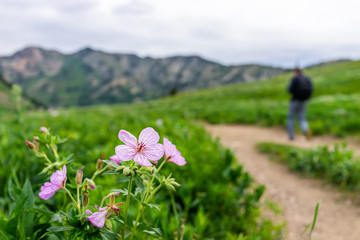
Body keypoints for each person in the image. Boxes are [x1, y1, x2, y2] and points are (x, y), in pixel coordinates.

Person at [287, 68, 313, 140]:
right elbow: (311, 90)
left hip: (295, 100)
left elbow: (289, 90)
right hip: (304, 101)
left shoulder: (295, 79)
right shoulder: (307, 78)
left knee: (291, 117)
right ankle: (305, 130)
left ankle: (291, 136)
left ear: (295, 72)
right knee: (302, 118)